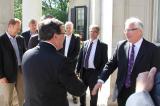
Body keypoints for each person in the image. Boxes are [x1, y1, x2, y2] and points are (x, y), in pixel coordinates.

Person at [92, 17, 158, 106]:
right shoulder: (121, 46)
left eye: (130, 30)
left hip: (140, 94)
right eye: (126, 30)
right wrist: (100, 80)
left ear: (140, 31)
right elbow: (110, 65)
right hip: (122, 92)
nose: (127, 32)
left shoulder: (152, 49)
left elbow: (157, 74)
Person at [22, 18, 86, 106]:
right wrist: (76, 77)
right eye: (63, 33)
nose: (65, 36)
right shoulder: (61, 61)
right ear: (55, 36)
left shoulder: (26, 55)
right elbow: (79, 89)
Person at [76, 25, 108, 106]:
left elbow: (104, 62)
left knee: (93, 94)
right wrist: (77, 70)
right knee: (81, 92)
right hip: (84, 72)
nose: (92, 33)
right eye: (91, 31)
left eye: (94, 31)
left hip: (94, 73)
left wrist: (100, 76)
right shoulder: (85, 43)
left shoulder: (103, 46)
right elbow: (80, 58)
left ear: (98, 33)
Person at [0, 18, 26, 106]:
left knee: (21, 96)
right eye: (17, 28)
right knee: (7, 99)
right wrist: (1, 76)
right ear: (10, 26)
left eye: (19, 28)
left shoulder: (21, 39)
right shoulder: (1, 40)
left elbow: (25, 54)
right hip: (7, 74)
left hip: (20, 71)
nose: (19, 30)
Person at [59, 21, 80, 104]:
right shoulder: (61, 37)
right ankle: (63, 96)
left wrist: (68, 60)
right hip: (61, 62)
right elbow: (58, 49)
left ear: (72, 29)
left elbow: (77, 51)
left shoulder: (76, 38)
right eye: (66, 27)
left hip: (71, 63)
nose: (68, 29)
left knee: (72, 80)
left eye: (69, 28)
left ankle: (75, 96)